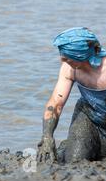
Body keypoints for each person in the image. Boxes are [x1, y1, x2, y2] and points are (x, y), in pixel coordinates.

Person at [37, 27, 106, 163]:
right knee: (74, 161)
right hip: (90, 116)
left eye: (67, 57)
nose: (62, 60)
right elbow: (56, 103)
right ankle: (69, 146)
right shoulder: (69, 68)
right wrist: (47, 137)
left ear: (79, 55)